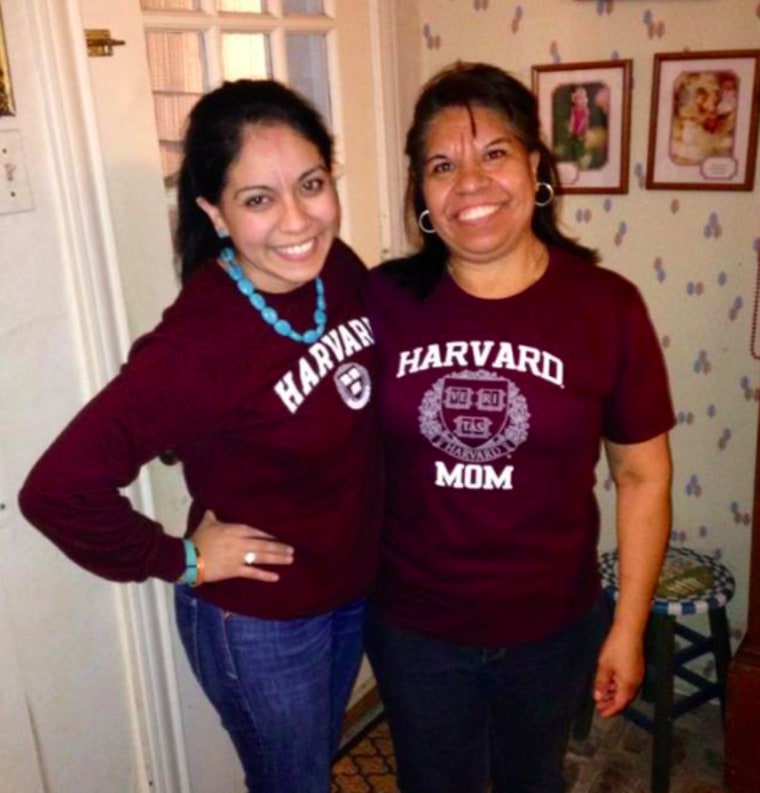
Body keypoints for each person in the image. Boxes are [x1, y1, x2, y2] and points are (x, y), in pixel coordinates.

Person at [19, 79, 383, 793]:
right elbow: (56, 490)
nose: (297, 219)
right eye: (258, 199)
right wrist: (179, 558)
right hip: (263, 624)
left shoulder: (336, 270)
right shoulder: (197, 345)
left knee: (309, 769)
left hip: (349, 588)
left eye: (311, 183)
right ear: (214, 213)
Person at [363, 62, 674, 793]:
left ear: (537, 167)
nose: (469, 182)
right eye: (443, 164)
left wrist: (626, 627)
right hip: (415, 628)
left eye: (494, 153)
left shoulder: (608, 306)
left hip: (552, 627)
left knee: (533, 781)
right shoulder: (379, 302)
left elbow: (642, 474)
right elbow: (299, 408)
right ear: (422, 196)